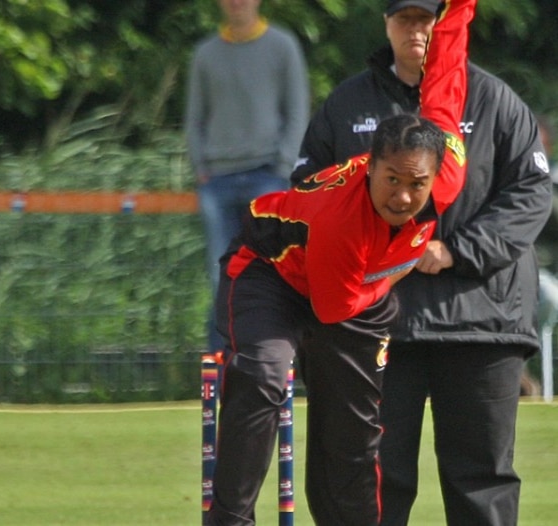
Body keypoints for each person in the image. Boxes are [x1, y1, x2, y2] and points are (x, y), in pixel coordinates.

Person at [206, 2, 472, 523]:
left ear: (438, 176)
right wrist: (408, 258)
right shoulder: (341, 220)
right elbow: (332, 310)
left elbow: (447, 71)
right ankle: (231, 519)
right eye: (390, 180)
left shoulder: (444, 169)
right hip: (271, 271)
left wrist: (460, 5)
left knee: (353, 433)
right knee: (263, 375)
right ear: (368, 167)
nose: (402, 197)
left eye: (416, 185)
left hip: (356, 286)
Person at [291, 0, 553, 524]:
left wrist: (456, 251)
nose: (418, 29)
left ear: (447, 22)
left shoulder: (495, 99)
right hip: (378, 324)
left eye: (428, 17)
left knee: (481, 482)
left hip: (481, 321)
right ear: (386, 23)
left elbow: (531, 193)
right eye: (405, 17)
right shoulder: (347, 104)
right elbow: (307, 196)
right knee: (372, 481)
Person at [184, 0, 310, 354]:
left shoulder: (282, 46)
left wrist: (283, 166)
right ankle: (223, 366)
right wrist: (201, 167)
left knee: (272, 273)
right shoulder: (205, 54)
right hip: (218, 180)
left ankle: (273, 358)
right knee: (219, 276)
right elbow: (194, 117)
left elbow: (298, 110)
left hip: (267, 175)